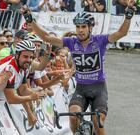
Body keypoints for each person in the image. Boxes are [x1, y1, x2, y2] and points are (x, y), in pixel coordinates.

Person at [22, 0, 135, 134]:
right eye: (78, 27)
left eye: (83, 27)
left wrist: (128, 16)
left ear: (90, 28)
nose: (80, 30)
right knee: (73, 117)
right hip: (81, 89)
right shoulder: (71, 42)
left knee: (97, 122)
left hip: (98, 88)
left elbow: (121, 33)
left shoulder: (101, 41)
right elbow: (46, 37)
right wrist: (31, 20)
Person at [0, 40, 46, 126]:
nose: (28, 60)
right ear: (17, 55)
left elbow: (23, 90)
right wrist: (31, 97)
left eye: (31, 57)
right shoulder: (9, 68)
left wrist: (30, 111)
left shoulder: (24, 67)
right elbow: (11, 99)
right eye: (25, 56)